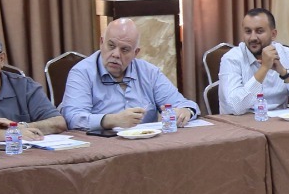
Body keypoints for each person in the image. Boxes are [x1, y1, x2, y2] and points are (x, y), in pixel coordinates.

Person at [61, 18, 199, 130]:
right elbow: (73, 118)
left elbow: (184, 104)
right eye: (111, 46)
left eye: (124, 49)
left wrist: (185, 111)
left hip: (146, 144)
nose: (116, 54)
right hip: (101, 146)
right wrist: (113, 120)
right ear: (101, 43)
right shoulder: (82, 73)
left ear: (135, 53)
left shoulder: (149, 72)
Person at [218, 8, 289, 114]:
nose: (253, 38)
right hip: (242, 120)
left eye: (259, 31)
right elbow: (234, 107)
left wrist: (284, 73)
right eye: (248, 31)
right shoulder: (231, 58)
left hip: (278, 120)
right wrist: (264, 68)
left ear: (273, 34)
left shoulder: (286, 54)